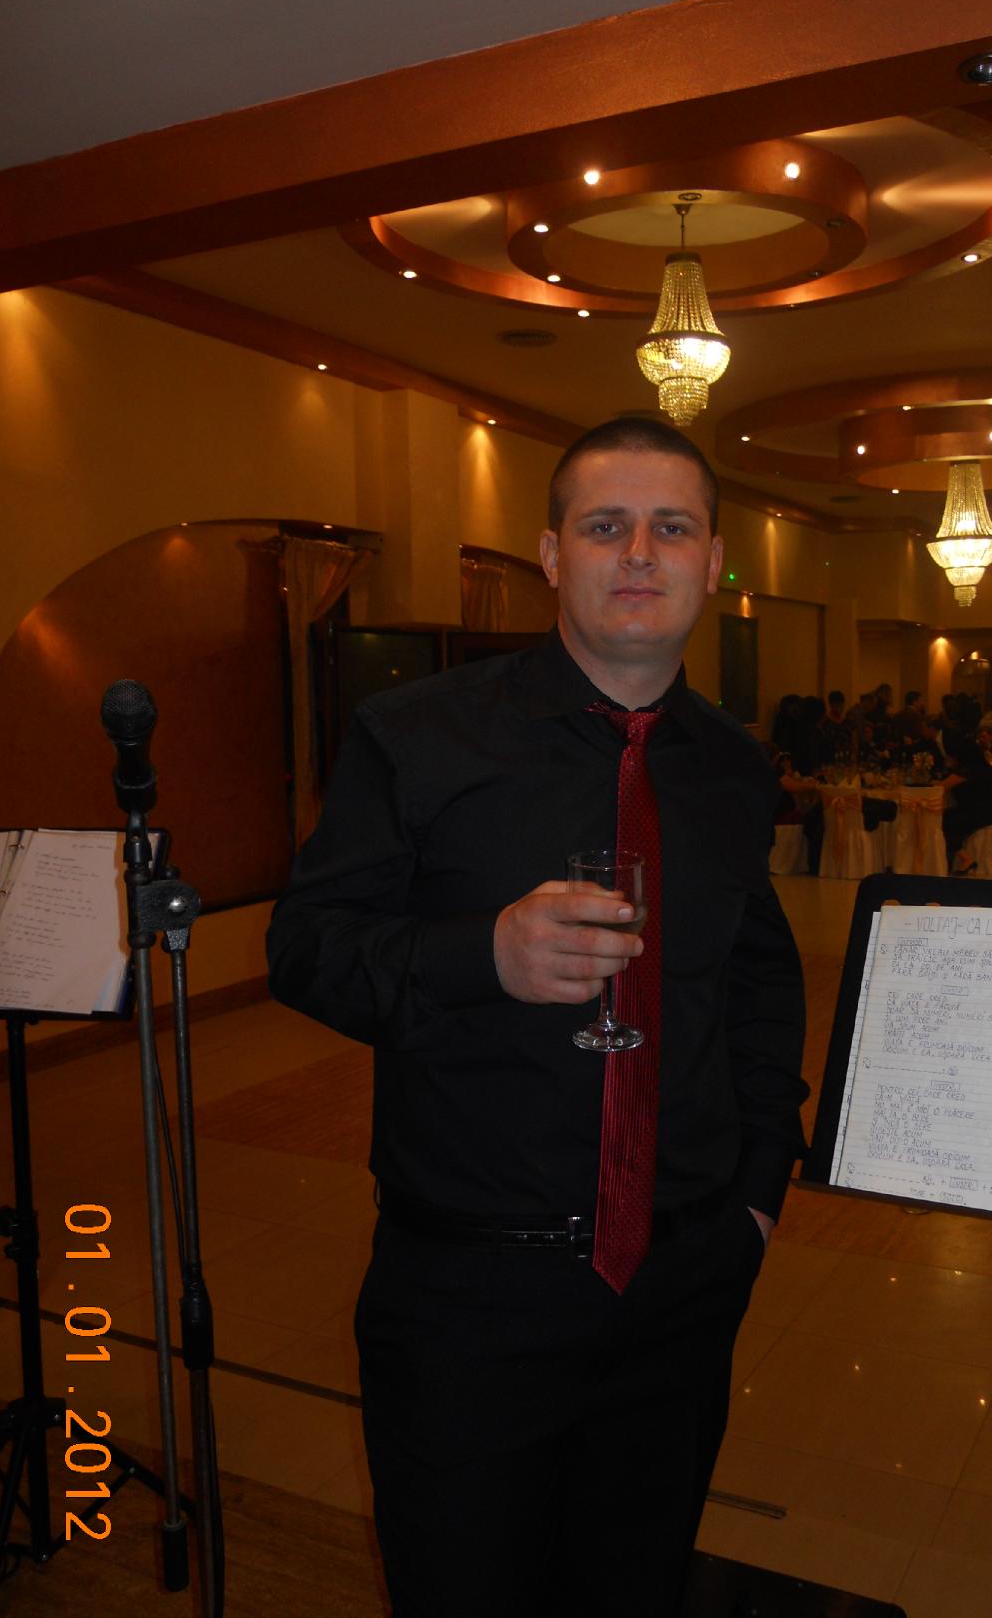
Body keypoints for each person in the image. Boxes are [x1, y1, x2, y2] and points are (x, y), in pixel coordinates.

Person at [266, 417, 807, 1618]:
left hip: (679, 1286)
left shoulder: (731, 766)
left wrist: (755, 1195)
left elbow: (758, 983)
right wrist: (483, 954)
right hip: (469, 1291)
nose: (638, 552)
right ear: (552, 554)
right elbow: (303, 947)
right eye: (605, 525)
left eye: (671, 527)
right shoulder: (417, 735)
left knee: (633, 1589)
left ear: (713, 562)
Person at [940, 731, 992, 871]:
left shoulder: (966, 771)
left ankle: (966, 858)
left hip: (975, 812)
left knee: (943, 822)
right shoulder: (984, 767)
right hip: (989, 811)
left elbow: (941, 787)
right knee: (948, 816)